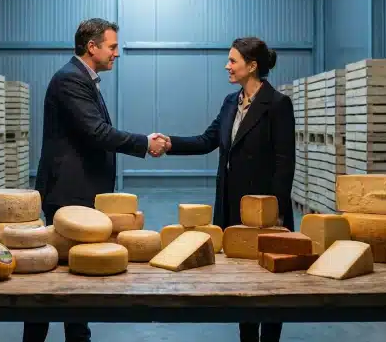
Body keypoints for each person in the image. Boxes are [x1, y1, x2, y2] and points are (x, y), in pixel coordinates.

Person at [29, 18, 168, 342]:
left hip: (79, 192)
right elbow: (96, 132)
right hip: (68, 194)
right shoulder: (70, 80)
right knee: (54, 277)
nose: (116, 54)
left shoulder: (83, 79)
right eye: (112, 46)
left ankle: (77, 337)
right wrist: (145, 143)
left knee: (73, 273)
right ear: (92, 47)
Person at [153, 37, 295, 342]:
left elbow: (285, 164)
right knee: (240, 278)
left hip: (266, 211)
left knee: (270, 284)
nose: (226, 66)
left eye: (233, 61)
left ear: (252, 66)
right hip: (232, 207)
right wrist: (171, 143)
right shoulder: (231, 102)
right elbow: (208, 140)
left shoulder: (278, 104)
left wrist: (278, 213)